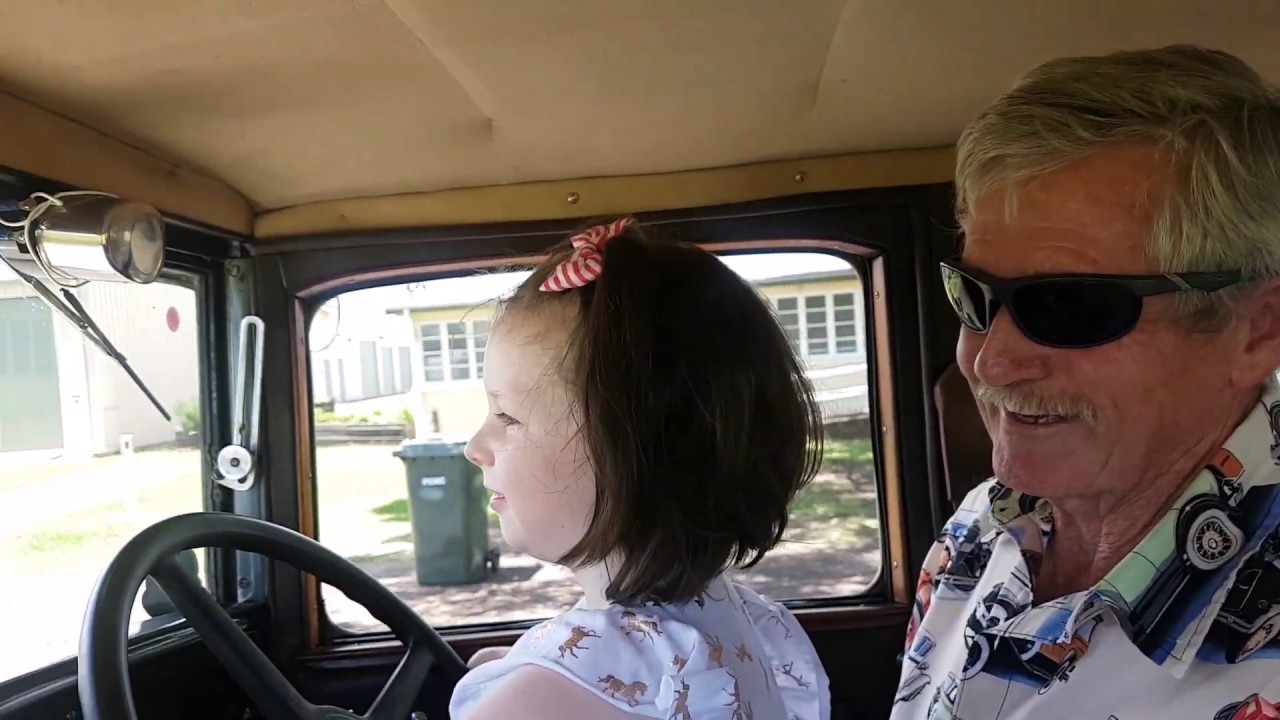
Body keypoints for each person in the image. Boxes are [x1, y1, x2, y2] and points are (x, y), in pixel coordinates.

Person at [892, 45, 1280, 720]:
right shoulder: (979, 527)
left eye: (1067, 305)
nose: (989, 363)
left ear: (1258, 330)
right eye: (974, 295)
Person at [449, 218, 832, 720]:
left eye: (507, 417)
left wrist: (529, 685)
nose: (474, 447)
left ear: (630, 457)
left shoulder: (534, 705)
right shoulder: (734, 622)